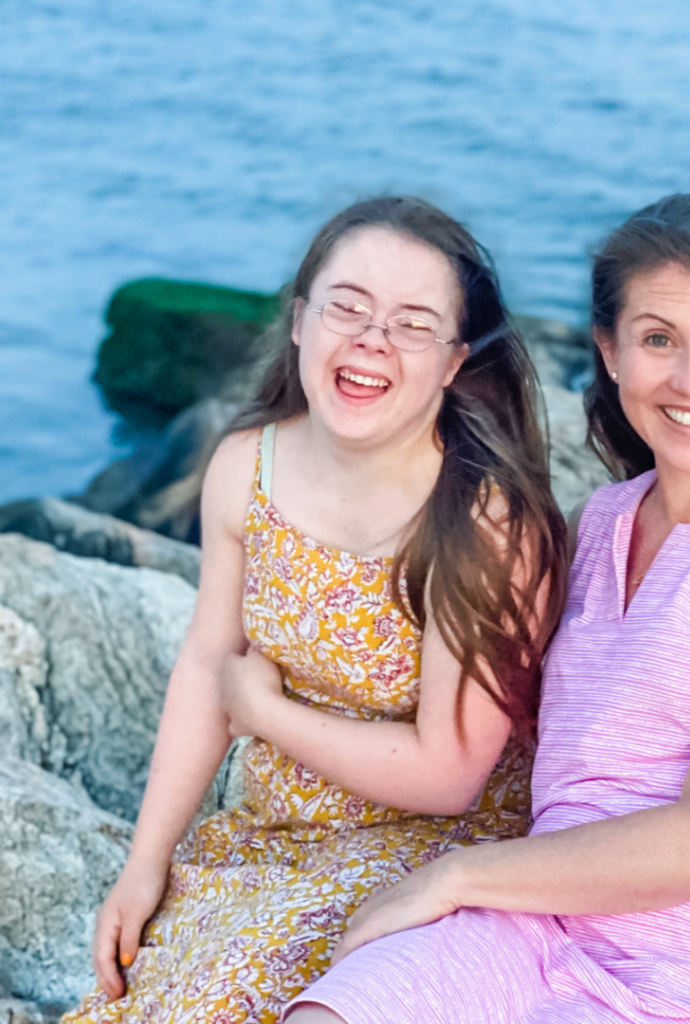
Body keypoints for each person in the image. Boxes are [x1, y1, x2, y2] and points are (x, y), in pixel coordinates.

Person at [285, 194, 690, 1024]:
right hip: (548, 937)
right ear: (610, 352)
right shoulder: (601, 524)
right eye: (659, 340)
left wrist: (455, 876)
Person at [63, 196, 566, 1023]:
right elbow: (203, 664)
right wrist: (144, 861)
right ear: (300, 321)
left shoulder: (482, 520)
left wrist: (262, 710)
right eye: (348, 306)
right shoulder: (245, 467)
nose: (371, 339)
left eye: (412, 324)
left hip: (430, 857)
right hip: (274, 832)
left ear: (453, 361)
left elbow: (448, 775)